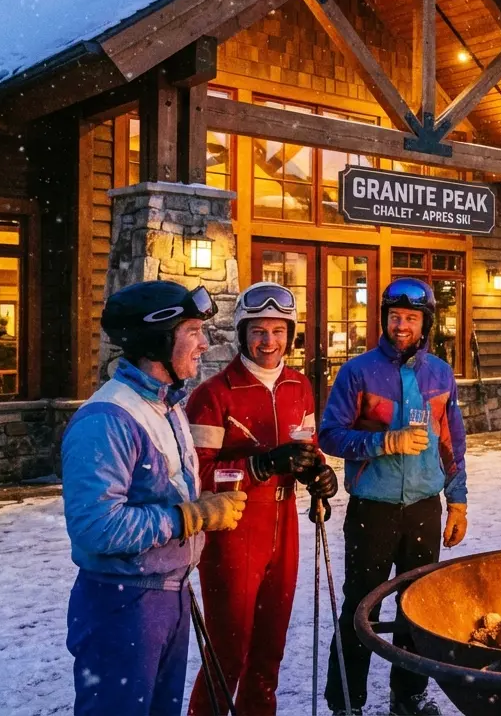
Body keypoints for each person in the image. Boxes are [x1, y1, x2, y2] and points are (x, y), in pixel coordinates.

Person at [63, 282, 243, 716]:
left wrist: (198, 506)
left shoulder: (168, 405)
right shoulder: (107, 419)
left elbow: (163, 491)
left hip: (169, 596)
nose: (205, 343)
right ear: (157, 341)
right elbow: (96, 527)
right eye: (193, 331)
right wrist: (190, 517)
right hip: (122, 604)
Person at [186, 283, 337, 716]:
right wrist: (261, 465)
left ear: (291, 335)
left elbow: (307, 447)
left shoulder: (299, 386)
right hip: (233, 529)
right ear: (242, 334)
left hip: (283, 523)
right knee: (228, 650)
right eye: (258, 331)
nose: (268, 342)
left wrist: (317, 472)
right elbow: (197, 477)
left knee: (270, 648)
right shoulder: (215, 394)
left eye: (278, 331)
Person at [320, 277, 468, 716]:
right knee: (361, 605)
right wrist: (383, 442)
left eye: (411, 318)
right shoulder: (358, 372)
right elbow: (330, 435)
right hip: (374, 508)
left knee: (416, 605)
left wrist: (457, 502)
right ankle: (346, 701)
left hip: (423, 507)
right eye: (395, 316)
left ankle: (409, 696)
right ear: (384, 319)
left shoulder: (440, 373)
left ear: (426, 324)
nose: (402, 325)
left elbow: (452, 443)